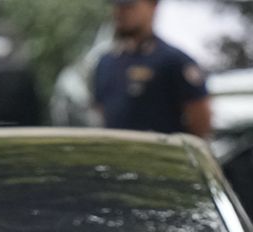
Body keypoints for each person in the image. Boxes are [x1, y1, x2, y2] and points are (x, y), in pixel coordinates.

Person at [91, 0, 212, 138]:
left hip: (161, 155)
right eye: (117, 6)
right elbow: (102, 113)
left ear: (153, 6)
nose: (120, 12)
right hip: (117, 155)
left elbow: (200, 119)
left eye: (129, 5)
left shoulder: (173, 61)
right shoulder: (106, 62)